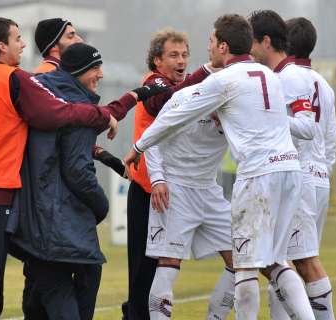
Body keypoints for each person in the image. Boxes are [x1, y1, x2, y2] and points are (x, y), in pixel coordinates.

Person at [0, 17, 149, 320]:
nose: (22, 44)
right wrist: (98, 115)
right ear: (2, 46)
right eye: (17, 38)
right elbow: (56, 114)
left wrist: (125, 103)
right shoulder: (20, 79)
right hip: (0, 191)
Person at [124, 14, 314, 320]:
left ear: (223, 47)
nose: (203, 51)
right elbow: (166, 121)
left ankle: (217, 316)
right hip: (282, 171)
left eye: (210, 43)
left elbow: (169, 120)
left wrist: (136, 148)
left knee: (245, 264)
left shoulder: (220, 84)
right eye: (176, 54)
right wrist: (157, 176)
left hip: (254, 175)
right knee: (274, 261)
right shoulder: (270, 77)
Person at [10, 43, 155, 320]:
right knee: (67, 284)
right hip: (56, 220)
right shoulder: (76, 105)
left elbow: (99, 120)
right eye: (95, 68)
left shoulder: (49, 95)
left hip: (38, 216)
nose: (101, 74)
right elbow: (77, 170)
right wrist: (101, 206)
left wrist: (134, 95)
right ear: (78, 71)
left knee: (52, 284)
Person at [248, 10, 334, 319]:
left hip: (298, 176)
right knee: (280, 260)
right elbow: (329, 137)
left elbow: (307, 127)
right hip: (304, 174)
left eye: (252, 41)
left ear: (267, 41)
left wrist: (269, 119)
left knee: (302, 261)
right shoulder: (304, 79)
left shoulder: (291, 78)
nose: (249, 49)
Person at [124, 27, 213, 320]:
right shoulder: (154, 83)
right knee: (143, 266)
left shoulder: (182, 86)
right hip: (148, 187)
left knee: (161, 263)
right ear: (157, 60)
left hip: (168, 189)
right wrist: (206, 72)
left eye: (185, 55)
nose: (181, 60)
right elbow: (162, 103)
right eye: (173, 54)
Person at [143, 84, 234, 319]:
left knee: (243, 258)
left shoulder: (237, 109)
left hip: (209, 190)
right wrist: (157, 179)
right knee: (169, 261)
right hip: (176, 188)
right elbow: (152, 136)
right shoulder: (184, 100)